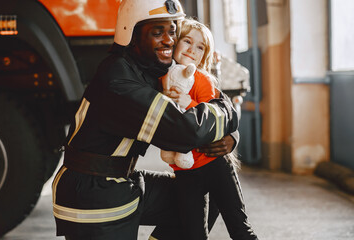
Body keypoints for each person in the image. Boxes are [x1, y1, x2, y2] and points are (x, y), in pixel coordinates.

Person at [51, 0, 239, 239]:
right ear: (131, 35)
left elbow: (215, 100)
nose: (169, 40)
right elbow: (185, 131)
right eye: (157, 32)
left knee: (207, 192)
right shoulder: (119, 81)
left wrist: (232, 134)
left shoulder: (147, 65)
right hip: (93, 194)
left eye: (172, 31)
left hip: (121, 178)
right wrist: (227, 112)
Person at [160, 18, 258, 240]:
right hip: (185, 171)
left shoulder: (203, 80)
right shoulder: (160, 80)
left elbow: (212, 119)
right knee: (194, 234)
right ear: (174, 43)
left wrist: (186, 102)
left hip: (215, 164)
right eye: (187, 41)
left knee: (239, 226)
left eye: (200, 47)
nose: (192, 50)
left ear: (204, 56)